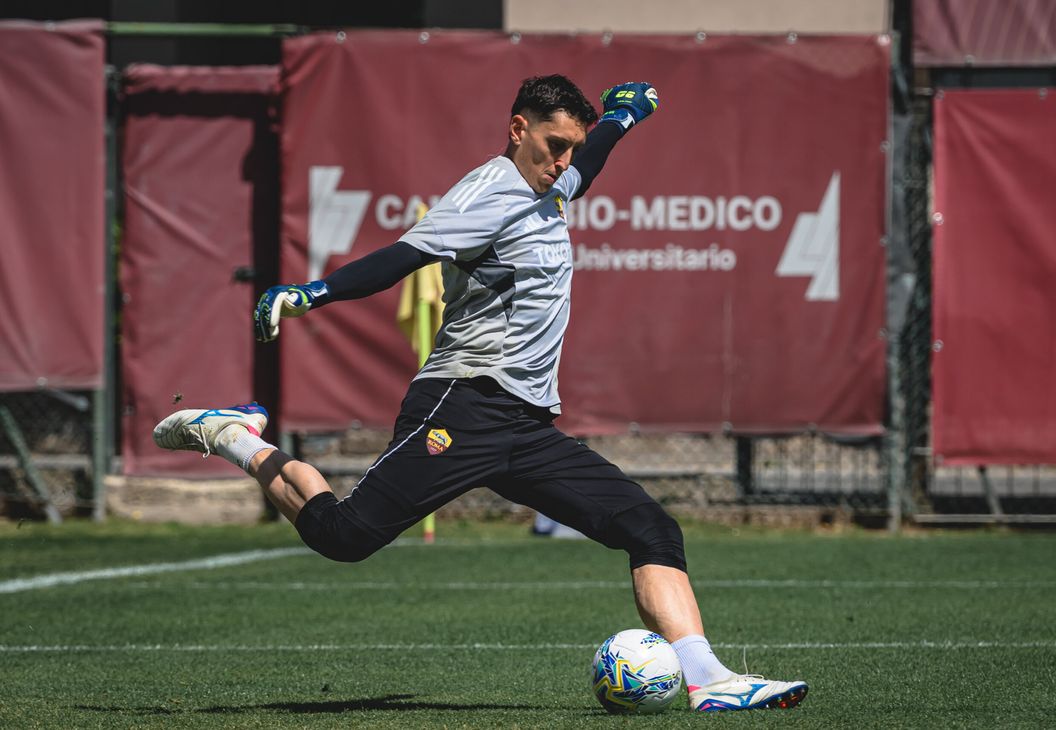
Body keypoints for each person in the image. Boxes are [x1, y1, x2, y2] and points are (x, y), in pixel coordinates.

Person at [153, 75, 808, 713]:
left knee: (651, 529)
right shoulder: (486, 193)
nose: (565, 161)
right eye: (554, 144)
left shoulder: (553, 181)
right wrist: (311, 294)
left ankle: (708, 680)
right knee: (345, 537)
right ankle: (237, 437)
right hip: (462, 403)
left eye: (571, 147)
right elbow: (401, 257)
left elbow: (592, 161)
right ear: (517, 129)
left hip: (524, 426)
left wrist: (621, 119)